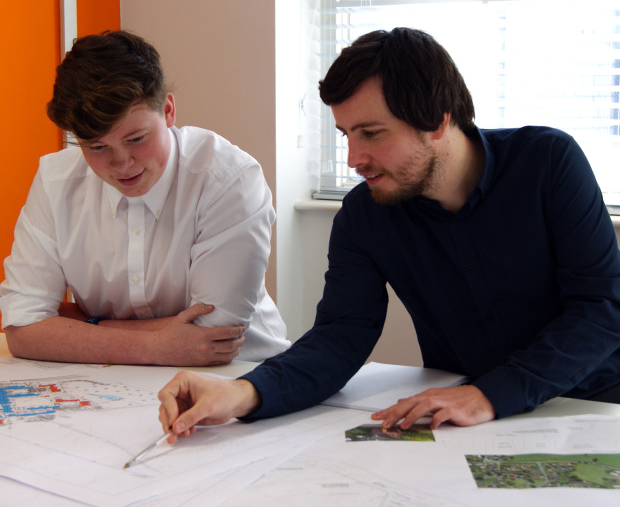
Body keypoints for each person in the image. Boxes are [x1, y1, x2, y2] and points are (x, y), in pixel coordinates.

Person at [157, 27, 620, 440]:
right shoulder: (365, 215)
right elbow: (340, 337)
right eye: (345, 135)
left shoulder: (547, 162)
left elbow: (600, 308)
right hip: (463, 422)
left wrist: (490, 394)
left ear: (438, 119)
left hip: (595, 406)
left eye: (372, 133)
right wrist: (242, 393)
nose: (353, 158)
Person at [0, 30, 290, 366]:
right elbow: (22, 327)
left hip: (241, 372)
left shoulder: (229, 179)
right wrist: (152, 346)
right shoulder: (55, 181)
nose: (121, 163)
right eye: (96, 147)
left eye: (136, 138)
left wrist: (84, 325)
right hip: (113, 381)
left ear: (168, 111)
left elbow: (214, 333)